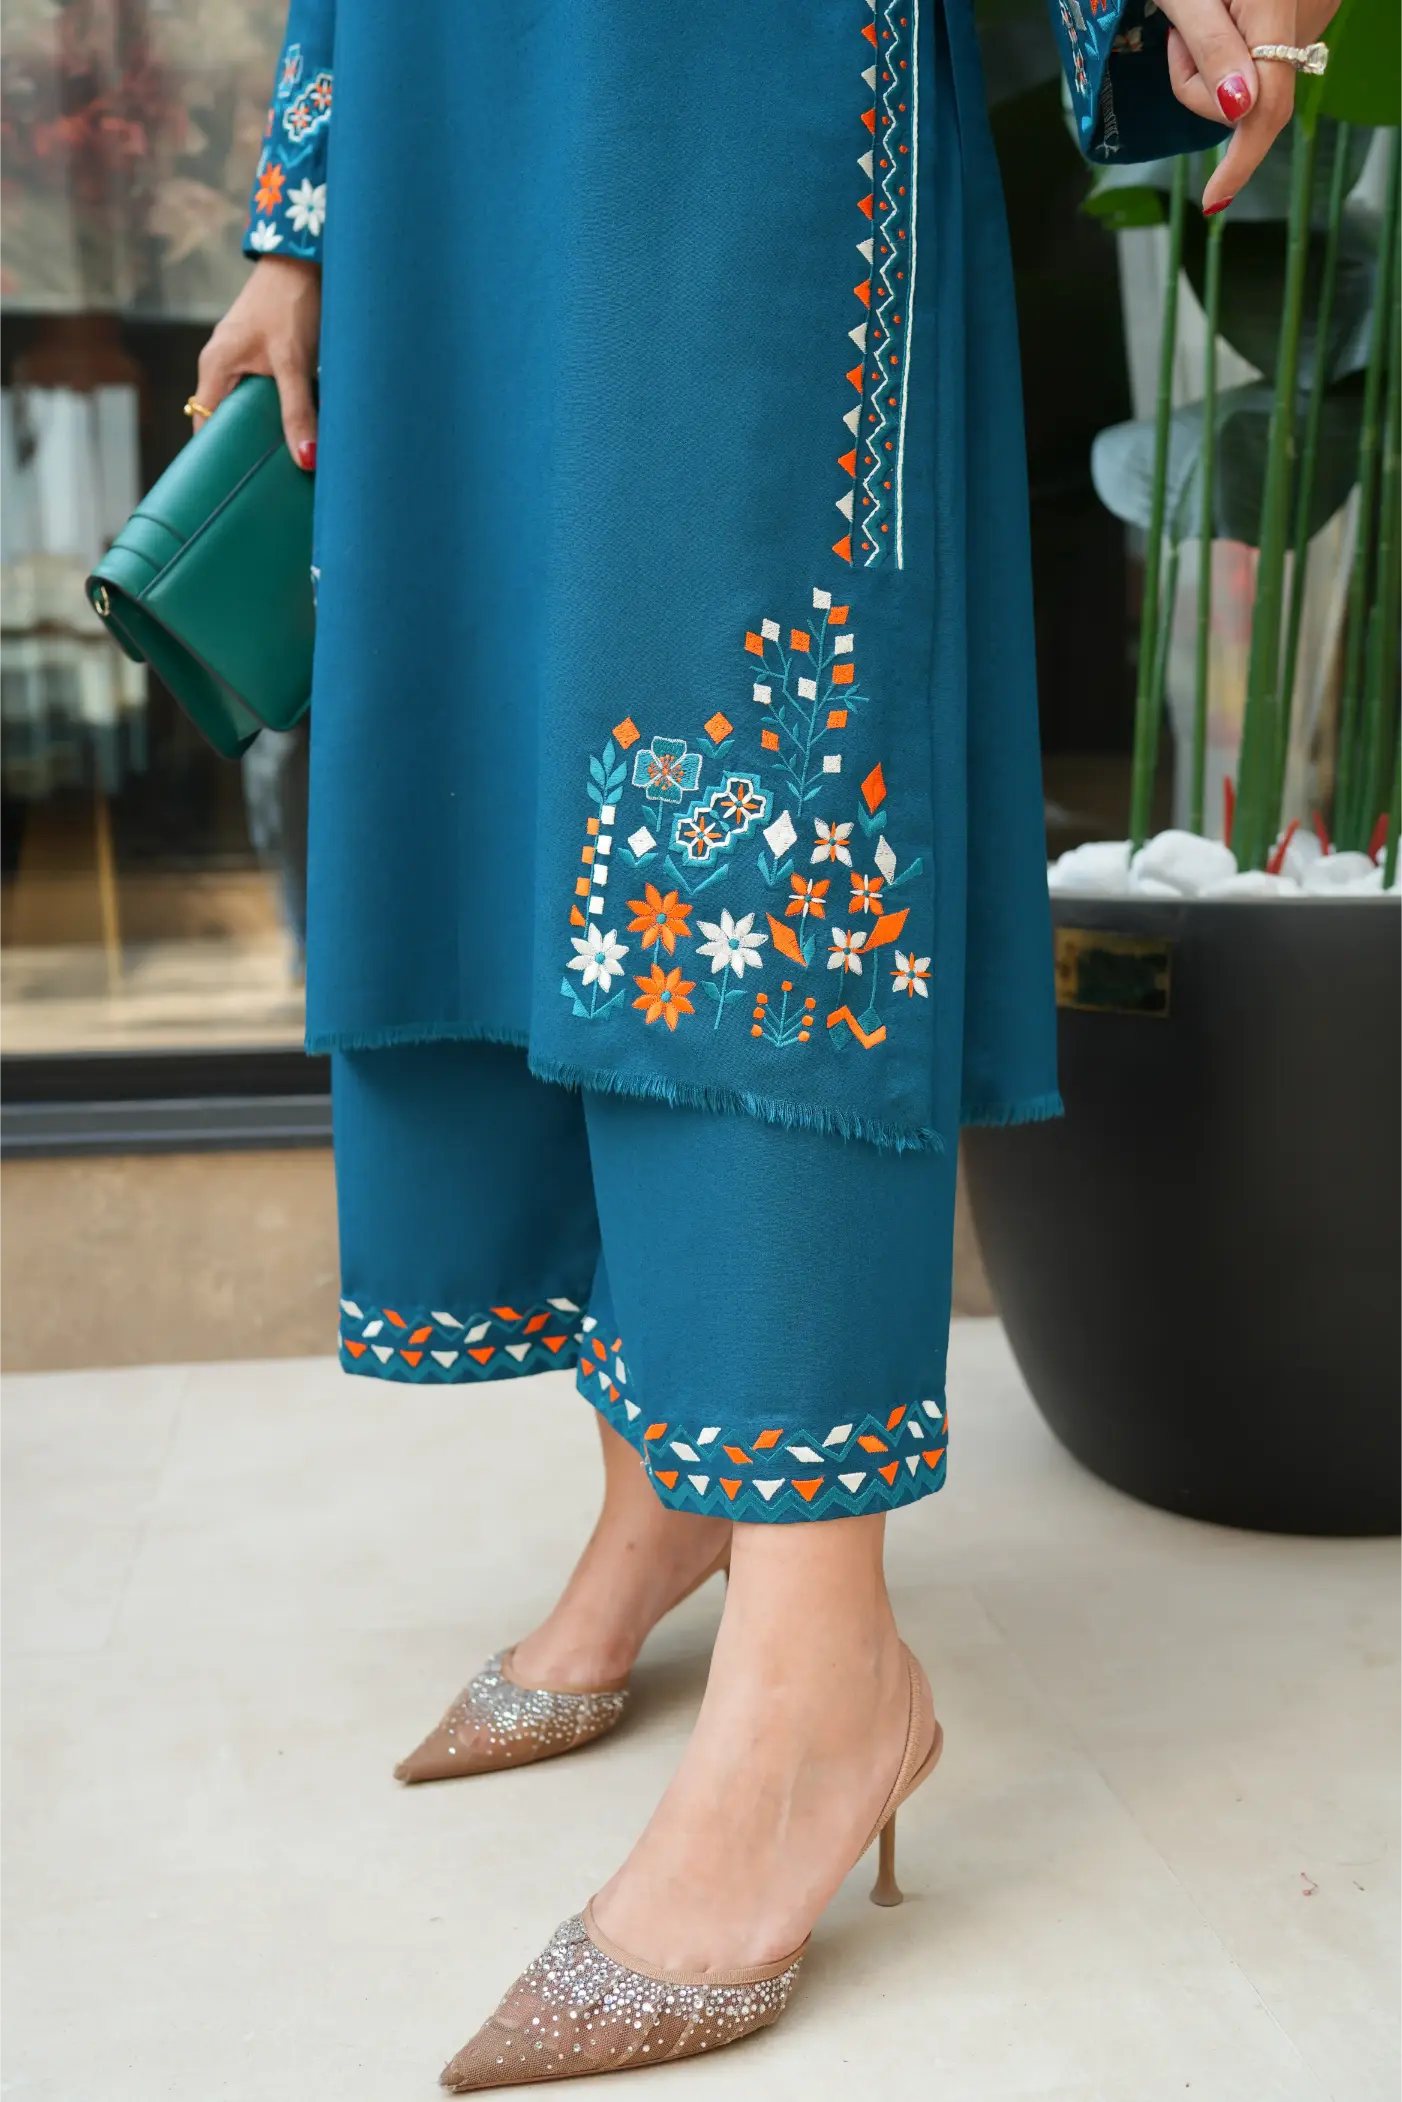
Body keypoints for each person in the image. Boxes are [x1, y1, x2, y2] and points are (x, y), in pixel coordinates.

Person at [194, 0, 1337, 2086]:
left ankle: (820, 1681)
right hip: (450, 84)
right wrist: (304, 211)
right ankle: (669, 1488)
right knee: (524, 750)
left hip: (724, 69)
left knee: (739, 784)